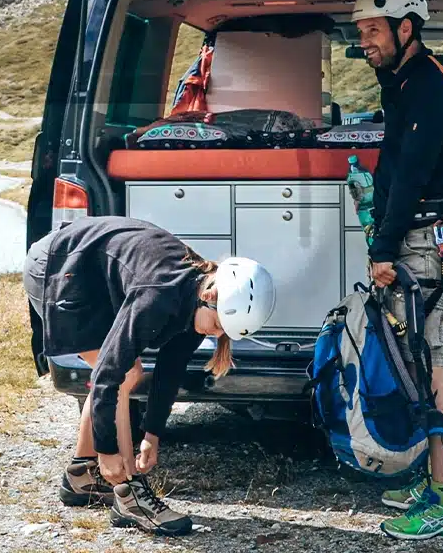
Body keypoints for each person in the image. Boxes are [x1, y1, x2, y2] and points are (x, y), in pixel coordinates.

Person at [23, 216, 275, 535]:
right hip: (59, 265)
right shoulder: (159, 294)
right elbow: (107, 376)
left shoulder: (195, 298)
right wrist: (108, 452)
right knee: (126, 373)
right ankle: (131, 498)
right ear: (210, 296)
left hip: (87, 268)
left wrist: (152, 434)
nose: (215, 334)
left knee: (125, 370)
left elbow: (171, 369)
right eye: (217, 325)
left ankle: (80, 477)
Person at [351, 0, 443, 541]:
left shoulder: (425, 83)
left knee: (431, 371)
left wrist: (382, 248)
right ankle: (431, 482)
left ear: (406, 28)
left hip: (420, 241)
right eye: (360, 33)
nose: (364, 42)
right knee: (415, 370)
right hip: (414, 234)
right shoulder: (404, 79)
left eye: (373, 31)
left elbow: (412, 174)